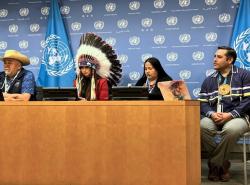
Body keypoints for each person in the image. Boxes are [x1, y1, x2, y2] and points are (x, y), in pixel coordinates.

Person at [199, 46, 250, 182]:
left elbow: (248, 100)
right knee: (202, 126)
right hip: (214, 116)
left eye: (219, 57)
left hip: (238, 117)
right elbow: (203, 103)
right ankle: (223, 164)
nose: (214, 59)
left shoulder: (244, 75)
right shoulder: (209, 80)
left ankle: (215, 165)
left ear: (230, 60)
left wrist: (231, 114)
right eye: (214, 56)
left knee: (231, 129)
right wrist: (211, 113)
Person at [75, 33, 122, 100]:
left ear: (92, 68)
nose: (84, 70)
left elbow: (103, 103)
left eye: (87, 67)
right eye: (82, 68)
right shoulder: (77, 82)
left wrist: (86, 104)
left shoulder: (102, 82)